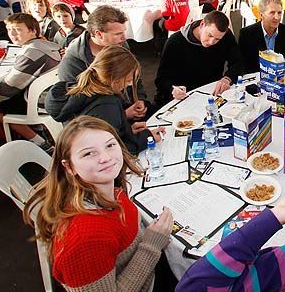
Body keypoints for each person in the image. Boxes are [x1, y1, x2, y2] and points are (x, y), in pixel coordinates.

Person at [23, 116, 173, 289]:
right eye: (88, 153)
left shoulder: (108, 191)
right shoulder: (84, 240)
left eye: (110, 145)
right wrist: (152, 245)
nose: (105, 158)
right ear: (69, 167)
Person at [51, 46, 163, 154]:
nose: (129, 85)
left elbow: (107, 131)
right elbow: (113, 148)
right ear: (115, 79)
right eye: (128, 80)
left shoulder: (86, 90)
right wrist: (148, 138)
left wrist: (127, 130)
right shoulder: (107, 105)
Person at [46, 5, 149, 122]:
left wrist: (139, 99)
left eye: (124, 32)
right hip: (104, 123)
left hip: (127, 110)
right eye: (117, 34)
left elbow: (133, 76)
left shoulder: (119, 45)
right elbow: (78, 113)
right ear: (98, 34)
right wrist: (123, 115)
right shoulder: (72, 62)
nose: (124, 37)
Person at [0, 13, 61, 152]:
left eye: (17, 29)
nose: (12, 34)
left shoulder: (31, 53)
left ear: (33, 31)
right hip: (53, 94)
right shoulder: (45, 44)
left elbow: (8, 87)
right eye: (9, 29)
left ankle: (40, 143)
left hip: (43, 101)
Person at [154, 11, 242, 105]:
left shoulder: (226, 36)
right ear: (202, 24)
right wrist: (172, 89)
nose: (212, 42)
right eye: (210, 35)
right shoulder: (175, 42)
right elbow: (161, 79)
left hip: (213, 92)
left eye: (217, 39)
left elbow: (237, 62)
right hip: (184, 97)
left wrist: (227, 78)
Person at [238, 0, 285, 73]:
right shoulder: (247, 34)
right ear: (261, 14)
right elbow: (241, 64)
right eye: (272, 13)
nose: (277, 17)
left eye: (279, 13)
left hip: (281, 79)